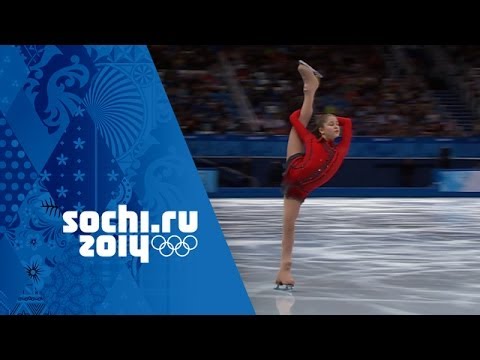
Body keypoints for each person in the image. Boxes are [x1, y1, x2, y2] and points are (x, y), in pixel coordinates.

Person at [275, 60, 353, 290]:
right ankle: (285, 269)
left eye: (336, 124)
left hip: (300, 189)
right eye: (331, 124)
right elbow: (296, 122)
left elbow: (348, 124)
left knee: (290, 224)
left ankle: (312, 87)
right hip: (295, 169)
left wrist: (330, 119)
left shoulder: (341, 148)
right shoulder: (311, 139)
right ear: (321, 130)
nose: (337, 126)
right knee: (288, 225)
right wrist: (316, 120)